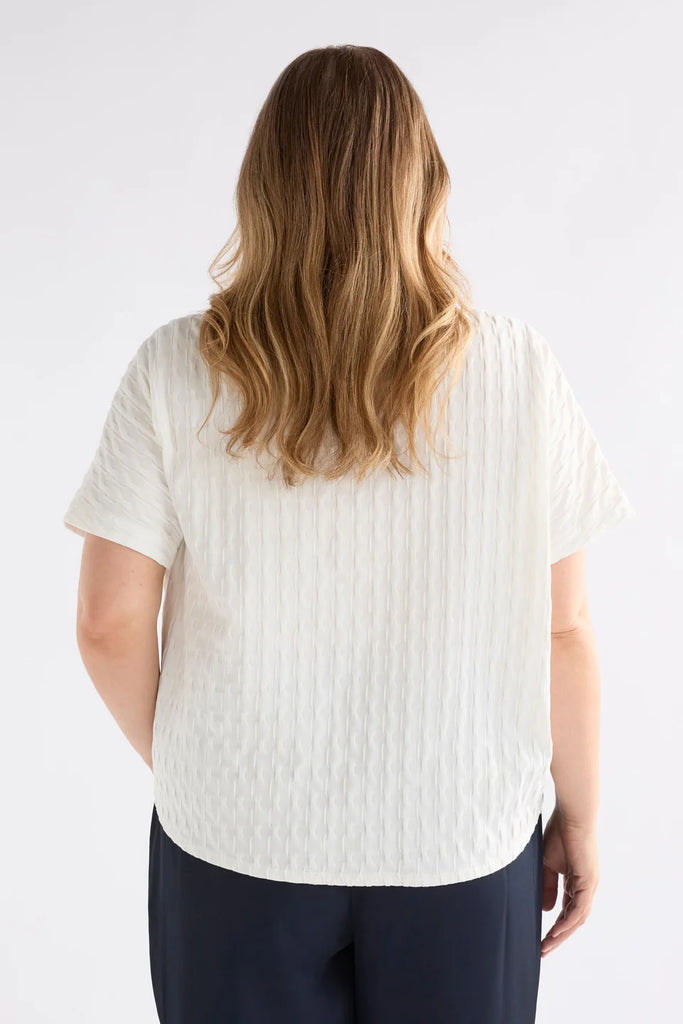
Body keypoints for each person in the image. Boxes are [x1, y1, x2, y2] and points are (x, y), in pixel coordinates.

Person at [62, 44, 636, 1024]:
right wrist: (578, 816)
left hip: (232, 847)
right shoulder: (516, 373)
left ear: (262, 189)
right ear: (424, 186)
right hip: (457, 842)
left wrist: (206, 763)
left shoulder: (172, 371)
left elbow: (109, 623)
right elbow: (563, 629)